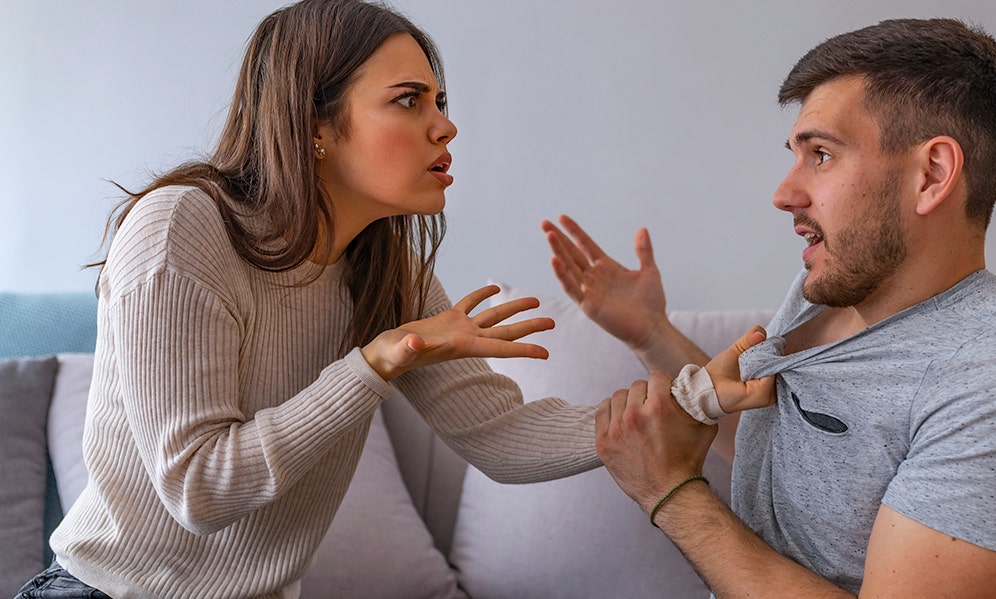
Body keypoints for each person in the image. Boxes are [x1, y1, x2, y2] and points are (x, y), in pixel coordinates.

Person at [15, 1, 601, 597]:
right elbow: (199, 487)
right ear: (314, 124)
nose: (446, 126)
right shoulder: (182, 227)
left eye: (439, 102)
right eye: (408, 100)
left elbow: (499, 435)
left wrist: (685, 403)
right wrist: (372, 366)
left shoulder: (386, 270)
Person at [542, 18, 996, 598]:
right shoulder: (828, 286)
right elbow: (777, 439)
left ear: (931, 174)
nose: (784, 193)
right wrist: (652, 332)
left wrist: (671, 493)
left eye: (822, 155)